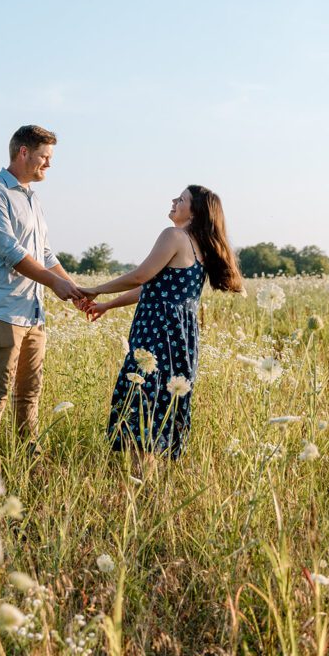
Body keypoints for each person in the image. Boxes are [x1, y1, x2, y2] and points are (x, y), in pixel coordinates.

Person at [80, 186, 242, 460]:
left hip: (157, 330)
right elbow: (154, 288)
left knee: (143, 397)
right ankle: (150, 481)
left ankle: (142, 481)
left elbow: (141, 276)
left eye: (181, 199)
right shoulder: (200, 245)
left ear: (196, 210)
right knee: (162, 401)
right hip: (182, 336)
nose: (174, 201)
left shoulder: (174, 236)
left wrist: (95, 289)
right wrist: (108, 305)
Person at [0, 124, 87, 454]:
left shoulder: (33, 200)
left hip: (31, 312)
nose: (49, 164)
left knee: (30, 391)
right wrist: (56, 284)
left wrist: (75, 291)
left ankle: (26, 459)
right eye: (44, 157)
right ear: (23, 153)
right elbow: (11, 252)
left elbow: (45, 254)